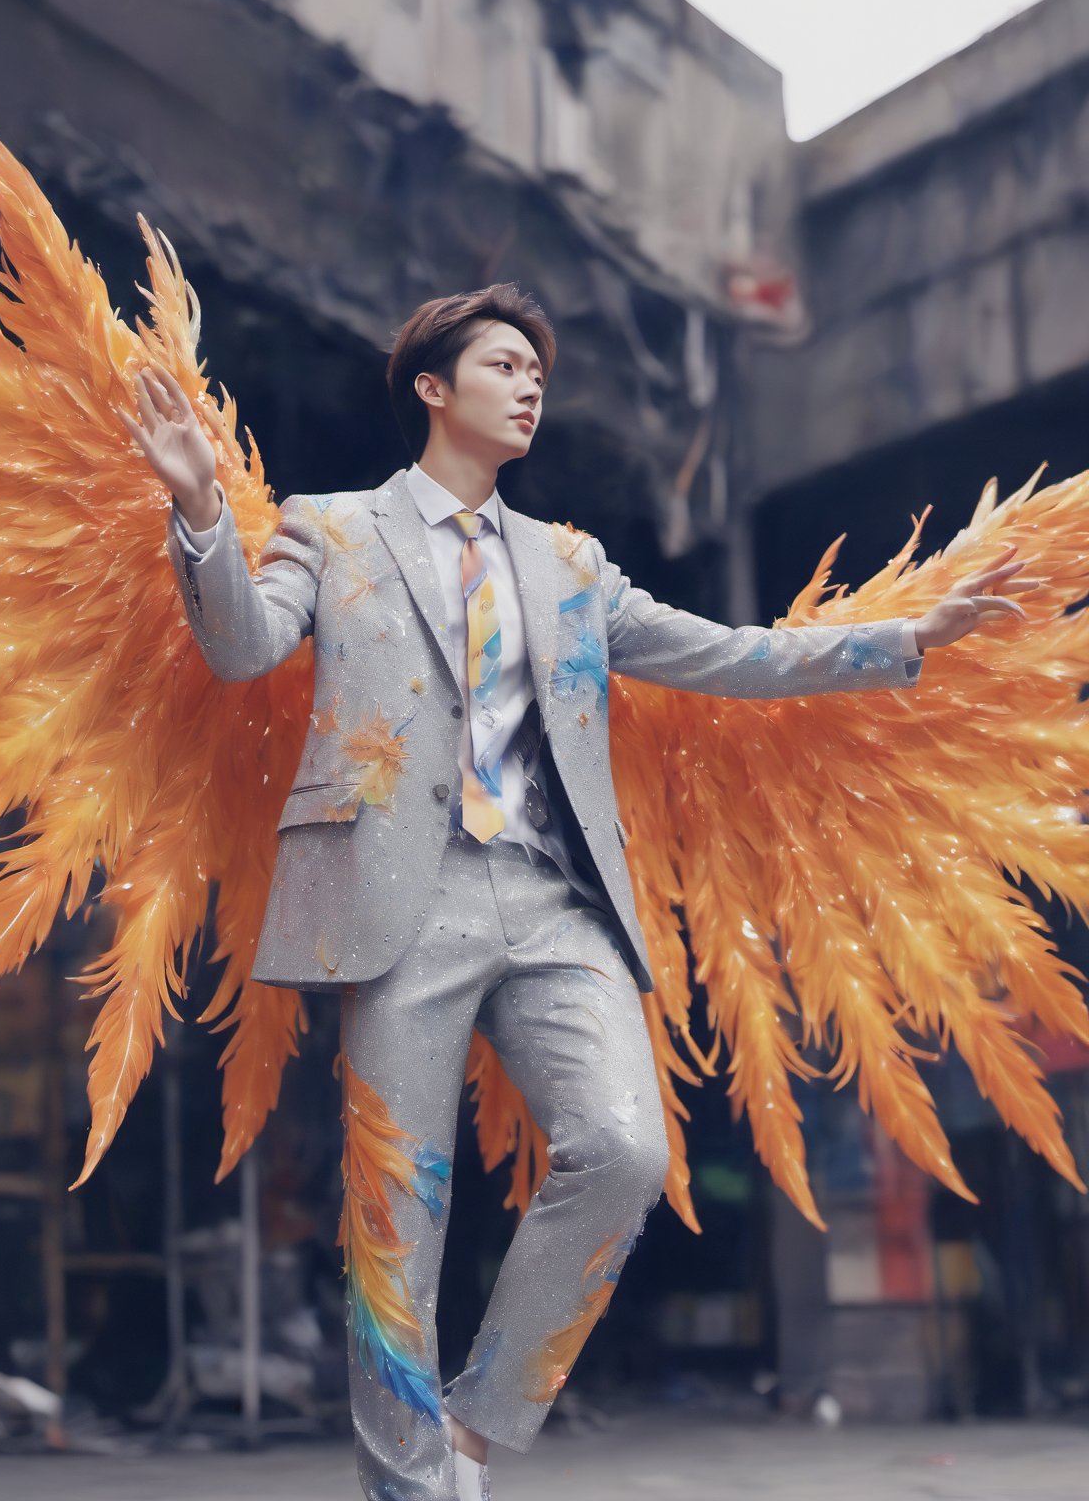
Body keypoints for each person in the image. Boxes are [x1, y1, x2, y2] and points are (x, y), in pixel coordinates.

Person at [119, 281, 1028, 1501]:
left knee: (624, 1149)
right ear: (432, 389)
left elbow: (732, 655)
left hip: (552, 901)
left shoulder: (570, 567)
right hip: (397, 901)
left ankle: (475, 1435)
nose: (530, 385)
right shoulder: (329, 530)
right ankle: (406, 1489)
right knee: (396, 1217)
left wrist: (904, 636)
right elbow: (238, 647)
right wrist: (193, 508)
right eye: (504, 365)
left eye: (535, 371)